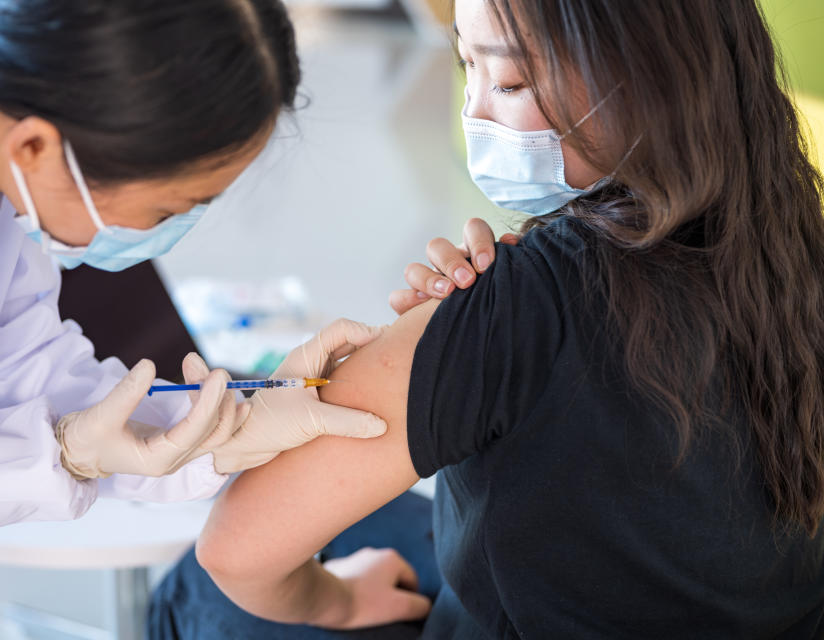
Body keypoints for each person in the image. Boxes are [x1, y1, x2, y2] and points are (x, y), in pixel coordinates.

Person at [171, 0, 824, 637]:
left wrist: (338, 601)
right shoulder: (797, 247)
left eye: (509, 81)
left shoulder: (526, 298)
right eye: (467, 69)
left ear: (645, 76)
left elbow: (235, 553)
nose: (474, 111)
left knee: (195, 589)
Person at [0, 0, 389, 569]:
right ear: (35, 149)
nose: (172, 231)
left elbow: (17, 370)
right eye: (170, 209)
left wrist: (226, 424)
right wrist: (62, 454)